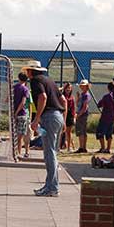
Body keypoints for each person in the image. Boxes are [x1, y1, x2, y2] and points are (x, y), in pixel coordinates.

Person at [23, 60, 66, 197]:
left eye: (27, 71)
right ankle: (50, 185)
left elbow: (43, 97)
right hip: (58, 116)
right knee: (53, 152)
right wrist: (63, 120)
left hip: (48, 116)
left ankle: (52, 188)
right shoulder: (50, 81)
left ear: (30, 71)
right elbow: (63, 100)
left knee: (49, 153)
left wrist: (36, 119)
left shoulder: (35, 81)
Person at [13, 72, 31, 158]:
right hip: (22, 114)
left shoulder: (14, 87)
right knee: (20, 136)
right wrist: (17, 112)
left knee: (15, 135)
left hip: (13, 114)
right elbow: (23, 102)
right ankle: (18, 154)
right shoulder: (25, 89)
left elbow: (7, 99)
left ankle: (15, 152)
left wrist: (14, 111)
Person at [95, 82, 114, 154]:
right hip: (113, 117)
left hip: (105, 117)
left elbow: (99, 105)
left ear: (108, 88)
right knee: (109, 134)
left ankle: (103, 147)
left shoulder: (106, 97)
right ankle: (108, 148)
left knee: (100, 132)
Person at [74, 79, 91, 153]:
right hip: (82, 114)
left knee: (81, 131)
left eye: (83, 86)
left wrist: (79, 114)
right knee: (83, 131)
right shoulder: (82, 95)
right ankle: (83, 147)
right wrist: (78, 97)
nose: (82, 87)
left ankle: (81, 147)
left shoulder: (86, 95)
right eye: (81, 86)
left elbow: (85, 106)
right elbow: (78, 104)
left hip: (82, 115)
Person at [62, 82, 76, 152]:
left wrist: (74, 117)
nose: (68, 89)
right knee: (61, 131)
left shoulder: (72, 97)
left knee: (68, 132)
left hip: (70, 115)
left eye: (69, 88)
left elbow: (73, 108)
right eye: (67, 88)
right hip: (63, 114)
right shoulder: (62, 96)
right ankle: (59, 146)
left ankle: (68, 148)